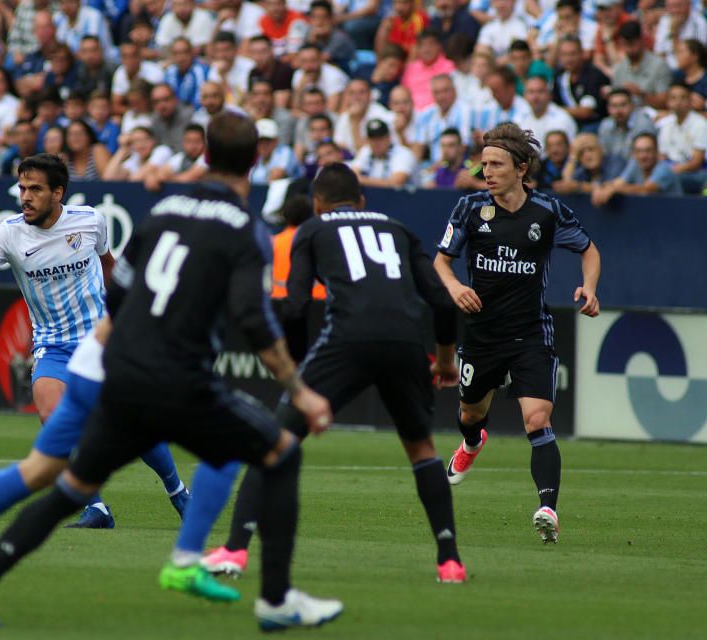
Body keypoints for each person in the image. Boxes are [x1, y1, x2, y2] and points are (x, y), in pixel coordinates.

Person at [0, 114, 343, 631]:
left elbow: (121, 290)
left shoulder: (162, 210)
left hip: (118, 365)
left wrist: (101, 351)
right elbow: (255, 321)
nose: (24, 195)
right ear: (256, 161)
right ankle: (261, 591)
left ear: (203, 156)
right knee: (277, 453)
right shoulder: (246, 230)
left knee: (65, 483)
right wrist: (301, 391)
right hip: (176, 373)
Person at [0, 154, 191, 601]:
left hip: (101, 340)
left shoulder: (91, 221)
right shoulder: (9, 234)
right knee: (51, 414)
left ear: (58, 193)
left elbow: (111, 266)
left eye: (35, 189)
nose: (26, 197)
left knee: (136, 423)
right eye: (22, 188)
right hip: (52, 346)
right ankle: (95, 506)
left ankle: (178, 493)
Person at [202, 161, 466, 585]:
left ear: (317, 204)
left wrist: (296, 370)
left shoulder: (312, 229)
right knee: (422, 450)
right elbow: (439, 298)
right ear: (362, 200)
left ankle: (234, 549)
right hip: (405, 341)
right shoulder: (397, 228)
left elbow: (295, 306)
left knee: (274, 443)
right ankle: (450, 560)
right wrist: (446, 358)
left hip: (347, 339)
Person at [432, 123, 601, 544]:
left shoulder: (546, 211)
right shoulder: (470, 209)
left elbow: (589, 249)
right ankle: (472, 443)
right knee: (470, 413)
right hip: (483, 336)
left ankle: (548, 508)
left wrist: (590, 287)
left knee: (537, 419)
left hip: (531, 334)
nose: (486, 171)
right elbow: (441, 262)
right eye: (483, 164)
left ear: (521, 168)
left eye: (495, 164)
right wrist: (455, 286)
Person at [591, 133, 683, 206]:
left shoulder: (664, 169)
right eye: (638, 151)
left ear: (656, 152)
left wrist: (615, 189)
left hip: (675, 215)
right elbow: (618, 182)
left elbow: (646, 190)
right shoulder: (635, 163)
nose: (643, 156)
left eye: (648, 151)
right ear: (634, 153)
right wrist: (601, 187)